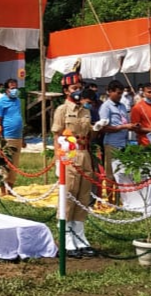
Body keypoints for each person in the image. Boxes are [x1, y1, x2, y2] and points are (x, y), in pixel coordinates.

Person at [52, 66, 96, 258]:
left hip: (85, 153)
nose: (77, 91)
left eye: (79, 87)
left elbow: (87, 133)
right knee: (69, 195)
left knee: (83, 196)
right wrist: (58, 161)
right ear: (66, 91)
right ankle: (66, 237)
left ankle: (80, 236)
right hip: (69, 156)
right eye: (73, 88)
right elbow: (57, 136)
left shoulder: (86, 110)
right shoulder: (62, 110)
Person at [99, 80, 140, 201]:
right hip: (112, 144)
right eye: (117, 93)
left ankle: (122, 199)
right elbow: (104, 128)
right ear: (110, 92)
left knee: (122, 172)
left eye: (121, 93)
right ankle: (112, 200)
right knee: (111, 173)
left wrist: (131, 125)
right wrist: (123, 127)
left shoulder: (122, 105)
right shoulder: (106, 107)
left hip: (124, 143)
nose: (120, 96)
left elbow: (124, 121)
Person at [0, 78, 24, 192]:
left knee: (14, 165)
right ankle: (3, 190)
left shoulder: (18, 101)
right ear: (6, 90)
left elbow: (19, 117)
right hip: (6, 137)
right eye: (12, 88)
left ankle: (11, 189)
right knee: (5, 164)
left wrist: (23, 137)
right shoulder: (1, 102)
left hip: (18, 137)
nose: (14, 90)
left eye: (16, 88)